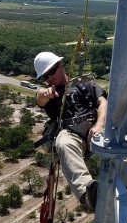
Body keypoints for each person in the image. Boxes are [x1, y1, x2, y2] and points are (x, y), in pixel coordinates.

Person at [34, 51, 107, 212]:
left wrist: (99, 124)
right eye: (45, 76)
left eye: (52, 72)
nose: (50, 78)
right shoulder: (50, 96)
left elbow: (103, 102)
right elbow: (39, 97)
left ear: (61, 65)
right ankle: (87, 194)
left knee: (118, 127)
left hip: (96, 129)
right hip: (73, 136)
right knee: (63, 142)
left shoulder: (85, 85)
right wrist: (45, 92)